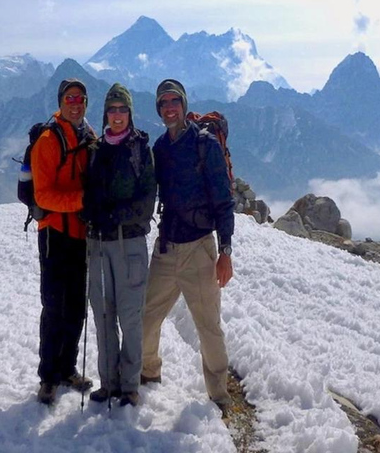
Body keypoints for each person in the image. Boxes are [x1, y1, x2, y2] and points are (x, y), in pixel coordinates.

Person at [141, 78, 236, 415]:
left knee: (207, 325)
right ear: (159, 109)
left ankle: (219, 395)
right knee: (147, 318)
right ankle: (148, 372)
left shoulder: (204, 144)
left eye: (174, 102)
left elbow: (224, 201)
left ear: (183, 104)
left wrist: (225, 252)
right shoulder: (160, 149)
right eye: (163, 103)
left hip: (199, 247)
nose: (169, 108)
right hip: (167, 247)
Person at [82, 83, 156, 407]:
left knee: (129, 317)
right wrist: (90, 212)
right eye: (112, 110)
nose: (117, 115)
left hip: (130, 243)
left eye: (122, 109)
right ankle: (108, 383)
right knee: (103, 316)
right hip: (98, 244)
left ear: (130, 113)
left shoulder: (141, 149)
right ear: (105, 114)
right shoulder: (95, 150)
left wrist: (112, 215)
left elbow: (146, 202)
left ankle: (129, 386)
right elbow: (86, 192)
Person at [31, 78, 96, 405]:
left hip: (80, 236)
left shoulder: (88, 136)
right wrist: (82, 201)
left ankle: (68, 368)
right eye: (70, 98)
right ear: (60, 102)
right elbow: (42, 194)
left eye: (81, 98)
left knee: (75, 308)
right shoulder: (47, 140)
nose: (76, 103)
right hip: (54, 235)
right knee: (54, 307)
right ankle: (48, 376)